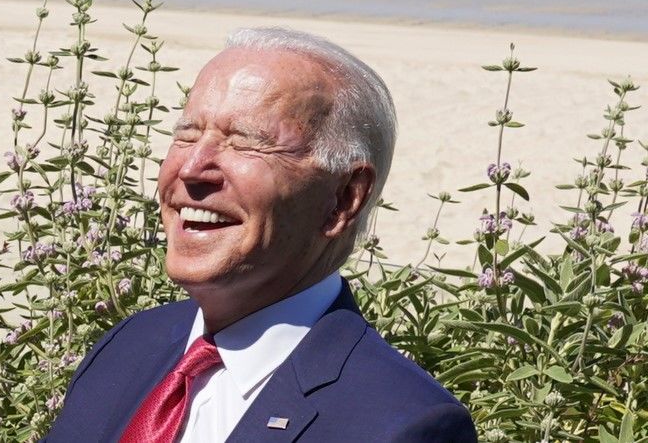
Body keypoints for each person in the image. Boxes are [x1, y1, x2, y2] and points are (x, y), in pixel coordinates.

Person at [45, 28, 477, 442]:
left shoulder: (399, 424)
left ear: (343, 198)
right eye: (187, 134)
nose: (193, 168)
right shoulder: (131, 345)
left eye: (245, 142)